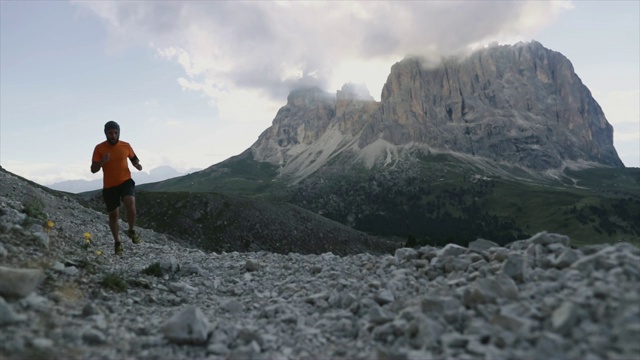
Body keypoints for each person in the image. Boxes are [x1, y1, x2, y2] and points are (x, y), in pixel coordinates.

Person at [91, 121, 143, 255]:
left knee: (130, 204)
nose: (113, 136)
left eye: (116, 133)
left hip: (125, 181)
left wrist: (137, 165)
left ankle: (131, 230)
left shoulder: (126, 146)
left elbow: (133, 158)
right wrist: (102, 161)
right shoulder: (99, 148)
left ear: (119, 132)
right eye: (110, 133)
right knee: (114, 215)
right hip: (109, 186)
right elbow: (93, 169)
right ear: (106, 133)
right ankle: (117, 242)